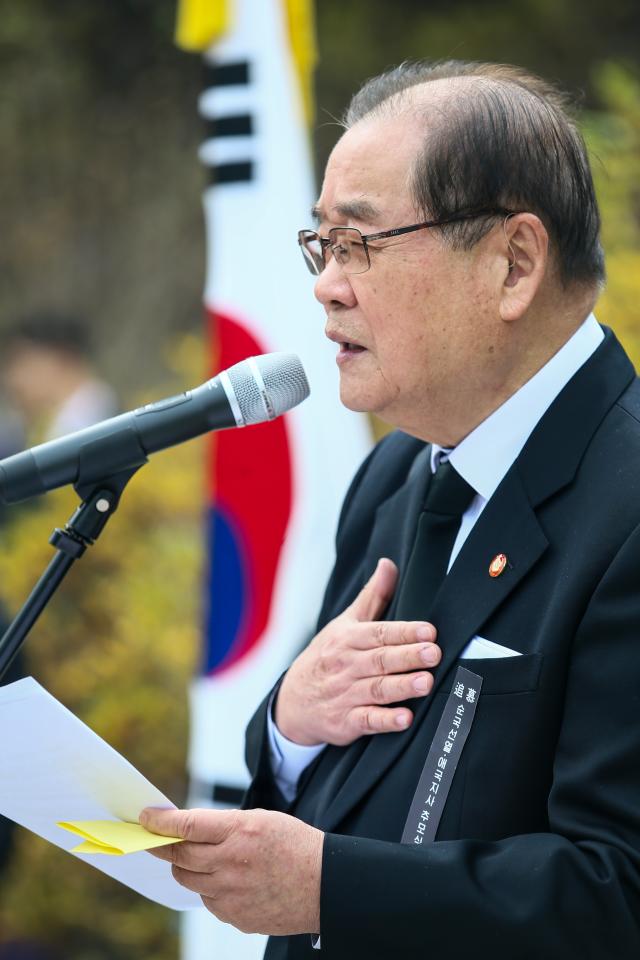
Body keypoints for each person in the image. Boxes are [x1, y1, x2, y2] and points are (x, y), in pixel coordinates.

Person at [140, 60, 640, 958]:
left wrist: (335, 887)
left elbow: (619, 889)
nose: (328, 285)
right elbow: (329, 779)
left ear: (514, 265)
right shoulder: (398, 474)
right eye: (321, 247)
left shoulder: (629, 500)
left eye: (359, 243)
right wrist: (290, 724)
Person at [2, 313, 117, 443]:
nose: (12, 379)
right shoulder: (59, 423)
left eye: (20, 361)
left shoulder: (85, 423)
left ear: (61, 358)